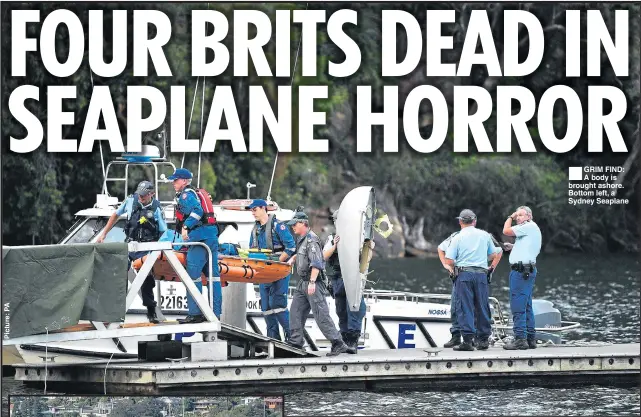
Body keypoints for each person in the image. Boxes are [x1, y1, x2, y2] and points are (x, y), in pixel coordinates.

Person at [286, 211, 356, 356]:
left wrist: (312, 282)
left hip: (314, 283)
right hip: (303, 283)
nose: (292, 227)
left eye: (294, 224)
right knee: (295, 313)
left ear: (303, 224)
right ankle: (296, 343)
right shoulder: (302, 239)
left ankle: (338, 343)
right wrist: (294, 258)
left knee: (321, 315)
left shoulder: (312, 240)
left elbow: (317, 263)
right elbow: (303, 254)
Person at [96, 180, 167, 323]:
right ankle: (115, 311)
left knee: (146, 278)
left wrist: (159, 250)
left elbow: (163, 231)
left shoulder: (157, 209)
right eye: (139, 195)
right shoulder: (130, 201)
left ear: (151, 194)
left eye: (144, 195)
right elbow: (115, 215)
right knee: (119, 273)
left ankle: (151, 310)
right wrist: (103, 234)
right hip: (129, 245)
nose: (140, 198)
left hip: (146, 247)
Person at [168, 168, 221, 324]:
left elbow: (197, 210)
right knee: (213, 277)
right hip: (211, 236)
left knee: (192, 276)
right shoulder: (194, 193)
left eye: (176, 180)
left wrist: (186, 226)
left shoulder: (186, 195)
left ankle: (195, 313)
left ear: (184, 181)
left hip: (199, 238)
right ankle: (215, 314)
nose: (173, 183)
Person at [444, 209, 502, 351]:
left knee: (465, 307)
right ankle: (483, 340)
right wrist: (481, 259)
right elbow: (494, 254)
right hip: (481, 275)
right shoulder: (485, 235)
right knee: (482, 306)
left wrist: (455, 265)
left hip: (464, 275)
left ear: (460, 222)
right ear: (475, 221)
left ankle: (468, 342)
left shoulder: (457, 237)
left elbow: (449, 260)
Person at [323, 211, 374, 352]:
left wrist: (369, 247)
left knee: (355, 308)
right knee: (341, 310)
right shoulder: (332, 238)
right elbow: (324, 256)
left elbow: (367, 259)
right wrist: (334, 245)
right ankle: (345, 342)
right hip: (337, 279)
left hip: (352, 278)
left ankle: (353, 342)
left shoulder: (358, 238)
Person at [247, 199, 296, 342]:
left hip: (278, 271)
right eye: (251, 210)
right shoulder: (255, 230)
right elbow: (252, 251)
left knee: (278, 304)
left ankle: (293, 338)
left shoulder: (277, 226)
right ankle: (273, 340)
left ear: (263, 208)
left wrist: (277, 262)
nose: (253, 213)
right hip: (263, 273)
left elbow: (291, 247)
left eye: (255, 210)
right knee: (267, 307)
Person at [502, 205, 542, 350]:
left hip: (520, 272)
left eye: (520, 215)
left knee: (517, 306)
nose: (518, 217)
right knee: (526, 306)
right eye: (517, 215)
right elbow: (528, 246)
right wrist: (513, 247)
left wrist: (510, 217)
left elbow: (505, 231)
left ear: (529, 216)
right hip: (527, 270)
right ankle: (530, 339)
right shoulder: (531, 228)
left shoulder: (528, 226)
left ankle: (520, 340)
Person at [437, 229, 462, 348]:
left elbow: (497, 251)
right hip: (458, 275)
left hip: (474, 274)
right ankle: (456, 336)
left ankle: (475, 337)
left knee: (473, 307)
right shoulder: (455, 235)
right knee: (455, 307)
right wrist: (446, 265)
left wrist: (490, 268)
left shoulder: (481, 235)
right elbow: (441, 248)